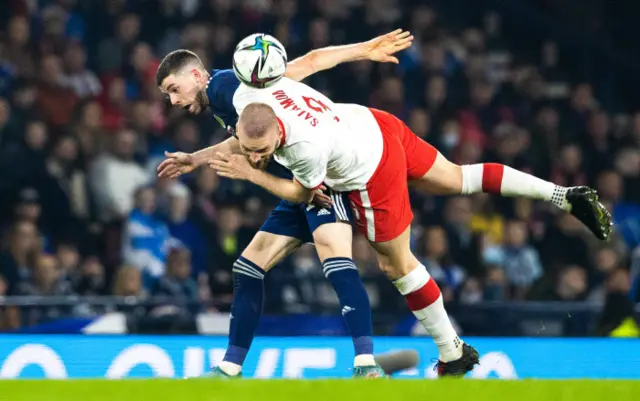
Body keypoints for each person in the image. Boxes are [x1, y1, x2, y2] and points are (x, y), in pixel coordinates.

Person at [161, 68, 612, 377]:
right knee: (457, 178)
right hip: (372, 121)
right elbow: (310, 63)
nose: (255, 155)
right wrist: (199, 159)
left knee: (396, 264)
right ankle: (562, 194)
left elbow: (303, 193)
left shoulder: (301, 148)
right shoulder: (249, 95)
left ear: (277, 135)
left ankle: (450, 352)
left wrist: (254, 173)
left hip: (367, 171)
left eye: (261, 151)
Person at [156, 30, 415, 378]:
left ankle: (366, 364)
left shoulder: (231, 86)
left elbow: (305, 65)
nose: (172, 101)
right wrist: (195, 159)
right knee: (247, 267)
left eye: (174, 89)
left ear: (197, 75)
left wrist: (364, 49)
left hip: (321, 183)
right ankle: (229, 369)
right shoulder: (224, 97)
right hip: (295, 187)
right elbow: (243, 139)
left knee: (335, 258)